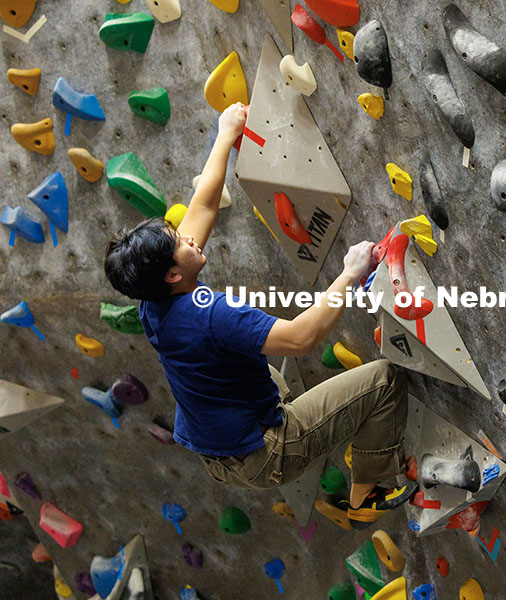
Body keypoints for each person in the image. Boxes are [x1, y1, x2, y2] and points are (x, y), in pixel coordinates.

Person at [103, 102, 415, 528]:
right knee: (385, 380)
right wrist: (350, 272)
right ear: (174, 272)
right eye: (180, 241)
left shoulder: (153, 298)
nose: (189, 237)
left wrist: (225, 133)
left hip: (219, 450)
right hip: (266, 453)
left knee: (262, 373)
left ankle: (293, 418)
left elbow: (203, 207)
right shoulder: (210, 313)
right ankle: (367, 492)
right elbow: (302, 338)